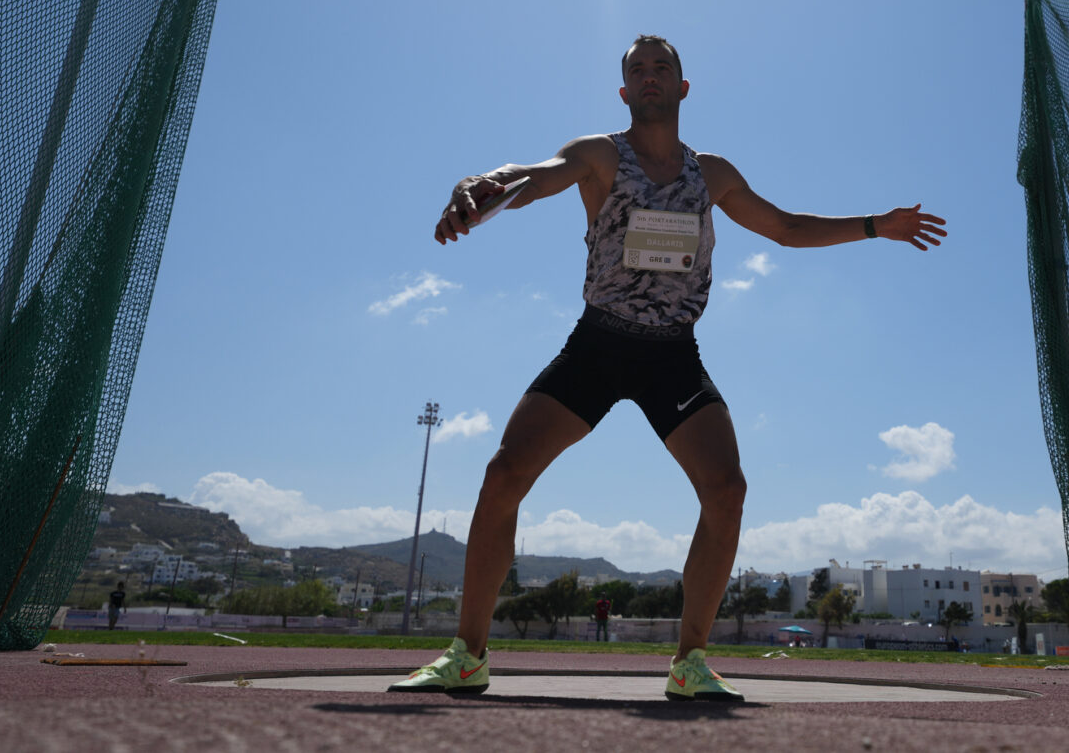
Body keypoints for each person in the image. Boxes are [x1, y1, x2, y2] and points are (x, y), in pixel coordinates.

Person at [387, 35, 947, 700]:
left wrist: (875, 225)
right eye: (636, 70)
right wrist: (481, 186)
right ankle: (468, 653)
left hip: (671, 355)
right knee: (503, 472)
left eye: (662, 68)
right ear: (624, 92)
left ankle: (690, 662)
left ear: (684, 87)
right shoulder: (600, 155)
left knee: (728, 490)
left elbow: (787, 227)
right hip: (597, 345)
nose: (649, 76)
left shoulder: (711, 174)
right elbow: (535, 176)